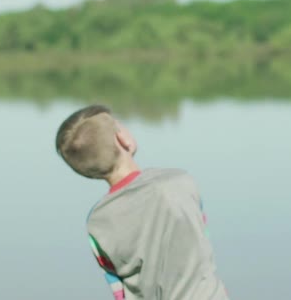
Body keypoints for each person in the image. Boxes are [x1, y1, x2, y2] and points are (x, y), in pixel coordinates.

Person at [55, 105, 229, 300]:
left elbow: (117, 288)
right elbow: (203, 243)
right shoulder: (179, 182)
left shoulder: (96, 222)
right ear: (123, 139)